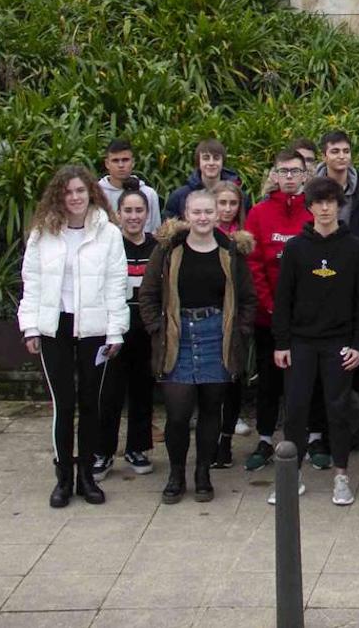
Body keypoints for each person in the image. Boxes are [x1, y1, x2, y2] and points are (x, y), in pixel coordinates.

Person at [19, 166, 129, 507]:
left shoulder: (108, 234)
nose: (75, 197)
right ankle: (63, 477)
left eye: (80, 190)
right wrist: (31, 327)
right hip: (55, 326)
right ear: (59, 196)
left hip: (95, 329)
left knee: (90, 404)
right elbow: (32, 282)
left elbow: (117, 284)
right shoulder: (43, 233)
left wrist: (116, 331)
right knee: (63, 405)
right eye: (68, 192)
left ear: (91, 193)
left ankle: (87, 476)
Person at [140, 190, 256, 504]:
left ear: (218, 214)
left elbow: (247, 298)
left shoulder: (231, 251)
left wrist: (240, 332)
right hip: (178, 335)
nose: (203, 218)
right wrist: (156, 328)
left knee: (210, 410)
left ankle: (203, 472)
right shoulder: (168, 250)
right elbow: (148, 294)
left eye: (208, 212)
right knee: (177, 414)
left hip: (216, 335)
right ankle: (177, 472)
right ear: (186, 215)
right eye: (196, 212)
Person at [272, 177, 359, 505]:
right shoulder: (295, 248)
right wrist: (281, 342)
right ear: (310, 206)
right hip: (301, 342)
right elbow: (283, 298)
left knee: (338, 408)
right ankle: (292, 476)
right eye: (319, 202)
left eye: (331, 201)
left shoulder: (356, 248)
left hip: (340, 342)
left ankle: (341, 475)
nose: (326, 207)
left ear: (339, 204)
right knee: (297, 408)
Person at [243, 149, 318, 472]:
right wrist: (273, 308)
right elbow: (254, 264)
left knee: (307, 379)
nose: (289, 177)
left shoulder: (314, 212)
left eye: (295, 172)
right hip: (268, 316)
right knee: (269, 380)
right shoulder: (258, 214)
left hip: (308, 318)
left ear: (305, 176)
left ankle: (314, 436)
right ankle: (264, 437)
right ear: (273, 175)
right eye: (283, 171)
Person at [94, 181, 158, 481]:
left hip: (146, 333)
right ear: (117, 213)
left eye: (139, 210)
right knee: (108, 394)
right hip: (113, 332)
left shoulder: (157, 248)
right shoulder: (107, 246)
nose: (133, 216)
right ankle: (103, 452)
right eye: (128, 210)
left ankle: (137, 448)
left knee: (142, 392)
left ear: (147, 213)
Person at [317, 130, 359, 238]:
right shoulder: (311, 190)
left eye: (346, 151)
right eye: (335, 151)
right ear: (324, 156)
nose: (342, 156)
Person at [165, 139, 247, 219]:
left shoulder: (238, 195)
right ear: (198, 161)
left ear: (223, 161)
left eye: (216, 158)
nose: (211, 163)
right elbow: (169, 228)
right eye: (206, 158)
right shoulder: (180, 196)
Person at [98, 138, 162, 233]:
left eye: (125, 160)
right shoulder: (97, 194)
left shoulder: (149, 194)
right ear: (107, 163)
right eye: (115, 160)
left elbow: (156, 232)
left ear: (133, 162)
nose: (121, 165)